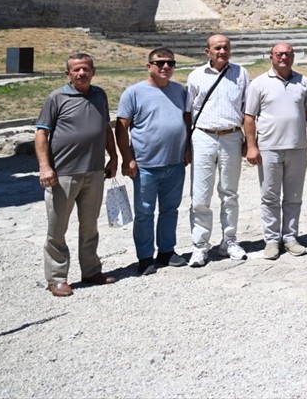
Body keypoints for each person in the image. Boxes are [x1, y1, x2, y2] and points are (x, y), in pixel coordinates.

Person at [35, 53, 118, 296]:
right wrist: (44, 167)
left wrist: (113, 156)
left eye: (85, 69)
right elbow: (41, 134)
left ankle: (91, 270)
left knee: (90, 226)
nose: (81, 73)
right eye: (76, 70)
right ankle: (57, 278)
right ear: (68, 74)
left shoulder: (100, 95)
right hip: (63, 173)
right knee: (57, 228)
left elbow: (105, 128)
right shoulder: (57, 97)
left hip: (94, 170)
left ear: (93, 71)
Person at [115, 47, 191, 275]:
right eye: (160, 63)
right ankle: (145, 256)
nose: (166, 67)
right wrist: (127, 158)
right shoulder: (134, 93)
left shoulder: (180, 91)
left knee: (170, 209)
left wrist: (187, 147)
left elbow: (186, 120)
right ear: (149, 67)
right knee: (145, 212)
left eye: (170, 63)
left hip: (175, 163)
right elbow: (121, 127)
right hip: (145, 165)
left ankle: (166, 251)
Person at [243, 43, 307, 260]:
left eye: (288, 54)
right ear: (271, 57)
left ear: (293, 57)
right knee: (270, 196)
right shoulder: (259, 83)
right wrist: (252, 146)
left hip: (297, 147)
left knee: (294, 196)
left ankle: (290, 237)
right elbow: (249, 117)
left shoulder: (303, 82)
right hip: (269, 148)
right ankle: (271, 240)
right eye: (279, 54)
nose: (283, 57)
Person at [184, 34, 250, 267]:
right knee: (200, 195)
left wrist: (248, 141)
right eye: (217, 48)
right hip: (203, 136)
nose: (222, 51)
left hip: (232, 135)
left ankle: (229, 241)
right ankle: (200, 245)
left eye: (226, 47)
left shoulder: (241, 73)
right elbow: (188, 112)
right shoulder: (196, 76)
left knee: (230, 193)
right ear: (208, 52)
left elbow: (247, 109)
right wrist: (186, 144)